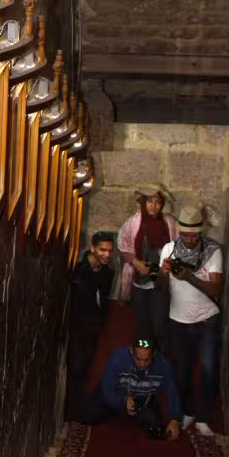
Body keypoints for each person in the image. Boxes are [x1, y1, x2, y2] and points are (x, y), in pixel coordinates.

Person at [157, 203, 223, 437]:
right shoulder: (168, 249)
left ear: (200, 233)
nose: (189, 239)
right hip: (178, 320)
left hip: (207, 320)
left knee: (207, 370)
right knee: (182, 371)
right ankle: (187, 412)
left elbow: (215, 289)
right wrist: (164, 273)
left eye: (193, 235)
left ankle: (204, 418)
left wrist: (189, 277)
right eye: (184, 234)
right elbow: (160, 288)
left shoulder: (213, 251)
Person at [117, 183, 178, 348]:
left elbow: (177, 247)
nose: (153, 206)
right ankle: (142, 356)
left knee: (160, 324)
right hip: (139, 282)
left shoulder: (169, 223)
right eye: (149, 201)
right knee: (142, 326)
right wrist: (136, 263)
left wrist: (167, 264)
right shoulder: (133, 222)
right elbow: (122, 244)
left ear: (162, 204)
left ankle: (160, 357)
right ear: (143, 203)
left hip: (160, 282)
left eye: (157, 202)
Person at [84, 336, 180, 439]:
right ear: (131, 352)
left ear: (153, 355)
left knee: (154, 427)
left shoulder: (163, 364)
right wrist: (121, 401)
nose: (142, 364)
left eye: (147, 360)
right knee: (88, 417)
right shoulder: (117, 357)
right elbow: (107, 387)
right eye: (138, 359)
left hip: (142, 398)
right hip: (118, 394)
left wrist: (174, 419)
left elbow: (171, 392)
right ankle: (118, 412)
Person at [65, 232, 115, 419]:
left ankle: (78, 408)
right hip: (76, 326)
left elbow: (103, 299)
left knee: (86, 366)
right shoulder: (77, 269)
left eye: (110, 251)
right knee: (75, 367)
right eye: (103, 250)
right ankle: (70, 409)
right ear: (93, 248)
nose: (107, 255)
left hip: (94, 327)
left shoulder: (108, 272)